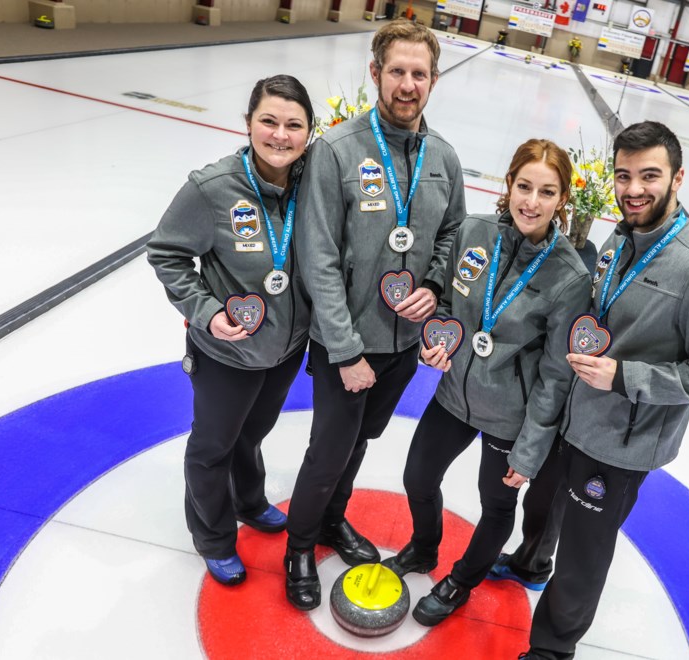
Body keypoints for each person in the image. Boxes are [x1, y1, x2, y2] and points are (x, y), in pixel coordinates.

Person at [512, 121, 689, 659]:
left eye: (649, 176)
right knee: (543, 508)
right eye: (623, 176)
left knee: (583, 556)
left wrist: (625, 377)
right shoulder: (620, 235)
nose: (633, 189)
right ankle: (528, 561)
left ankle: (551, 649)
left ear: (678, 178)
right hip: (574, 416)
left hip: (620, 441)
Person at [283, 20, 466, 611]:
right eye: (397, 72)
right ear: (375, 74)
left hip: (402, 343)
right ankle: (299, 547)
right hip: (347, 345)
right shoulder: (337, 150)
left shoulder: (444, 157)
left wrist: (436, 285)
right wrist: (346, 350)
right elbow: (318, 259)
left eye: (419, 74)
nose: (407, 85)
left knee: (360, 442)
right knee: (327, 451)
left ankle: (334, 521)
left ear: (433, 80)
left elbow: (454, 235)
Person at [381, 139, 592, 627]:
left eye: (546, 191)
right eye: (523, 186)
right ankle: (423, 547)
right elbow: (452, 306)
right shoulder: (474, 233)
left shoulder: (569, 275)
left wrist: (531, 448)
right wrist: (438, 341)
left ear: (562, 199)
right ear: (509, 184)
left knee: (496, 504)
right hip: (454, 392)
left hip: (511, 417)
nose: (531, 202)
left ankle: (461, 581)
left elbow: (557, 374)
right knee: (417, 475)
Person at [146, 75, 314, 586]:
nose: (280, 135)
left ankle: (249, 500)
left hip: (285, 349)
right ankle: (213, 536)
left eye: (293, 124)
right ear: (248, 124)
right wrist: (207, 311)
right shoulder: (212, 188)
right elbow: (167, 253)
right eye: (269, 121)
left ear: (310, 131)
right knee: (212, 446)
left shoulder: (315, 184)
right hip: (227, 352)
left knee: (253, 434)